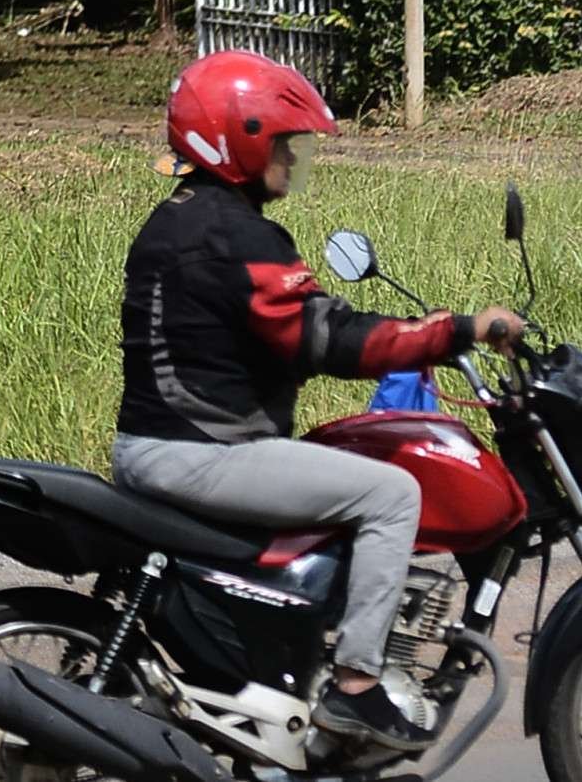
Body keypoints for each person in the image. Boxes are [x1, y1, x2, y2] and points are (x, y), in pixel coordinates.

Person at [113, 50, 524, 755]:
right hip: (201, 451)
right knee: (392, 494)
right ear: (236, 137)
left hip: (170, 443)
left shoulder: (184, 218)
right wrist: (455, 330)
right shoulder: (234, 234)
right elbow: (323, 338)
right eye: (281, 143)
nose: (291, 159)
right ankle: (357, 687)